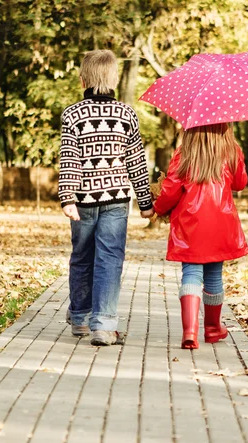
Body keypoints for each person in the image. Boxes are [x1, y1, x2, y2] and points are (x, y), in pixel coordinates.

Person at [59, 50, 154, 346]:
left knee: (81, 256)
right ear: (114, 78)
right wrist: (146, 202)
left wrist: (68, 198)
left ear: (82, 79)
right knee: (110, 259)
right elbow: (136, 161)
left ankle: (79, 318)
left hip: (83, 200)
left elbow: (69, 159)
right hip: (116, 199)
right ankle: (103, 324)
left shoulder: (72, 114)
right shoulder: (126, 114)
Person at [153, 123, 248, 349]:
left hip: (190, 224)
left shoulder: (184, 153)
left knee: (191, 273)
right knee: (214, 275)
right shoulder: (231, 151)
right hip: (220, 222)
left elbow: (170, 191)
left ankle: (190, 332)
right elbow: (240, 183)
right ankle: (213, 329)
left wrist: (157, 208)